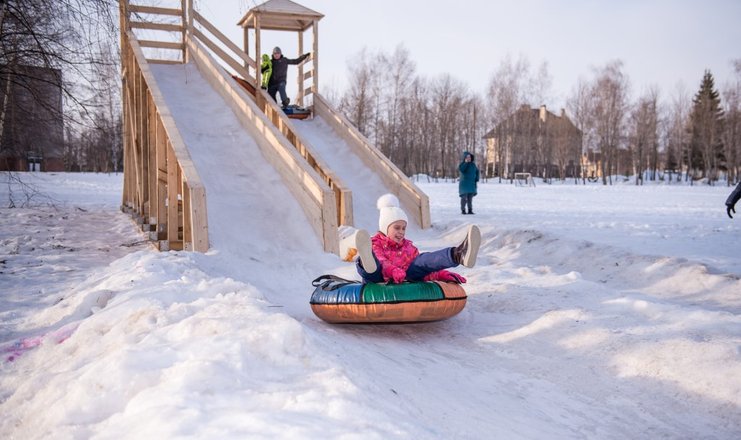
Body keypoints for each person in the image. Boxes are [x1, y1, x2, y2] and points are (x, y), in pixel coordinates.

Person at [340, 194, 481, 285]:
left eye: (403, 228)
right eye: (396, 227)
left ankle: (458, 254)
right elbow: (384, 263)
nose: (401, 232)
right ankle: (366, 259)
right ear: (384, 227)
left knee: (422, 261)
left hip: (404, 277)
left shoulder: (408, 247)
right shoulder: (376, 243)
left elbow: (423, 270)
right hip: (377, 279)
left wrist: (441, 274)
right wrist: (393, 270)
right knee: (375, 266)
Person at [459, 150, 479, 215]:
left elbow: (477, 171)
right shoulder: (462, 164)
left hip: (471, 184)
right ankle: (463, 210)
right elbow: (462, 170)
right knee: (464, 198)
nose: (469, 158)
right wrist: (466, 163)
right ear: (465, 158)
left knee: (470, 198)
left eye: (470, 157)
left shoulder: (473, 165)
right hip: (464, 184)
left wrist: (477, 178)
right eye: (467, 157)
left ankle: (470, 210)